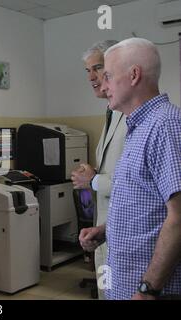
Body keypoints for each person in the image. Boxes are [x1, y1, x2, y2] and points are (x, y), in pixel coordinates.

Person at [79, 38, 181, 300]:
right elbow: (143, 201)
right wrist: (105, 230)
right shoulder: (139, 127)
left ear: (134, 75)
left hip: (149, 290)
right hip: (126, 284)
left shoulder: (165, 125)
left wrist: (148, 289)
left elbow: (179, 217)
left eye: (108, 76)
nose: (102, 84)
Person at [70, 40, 127, 299]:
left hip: (126, 233)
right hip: (106, 227)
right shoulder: (111, 112)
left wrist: (93, 181)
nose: (92, 77)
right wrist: (95, 172)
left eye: (98, 68)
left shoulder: (132, 115)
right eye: (87, 71)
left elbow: (137, 182)